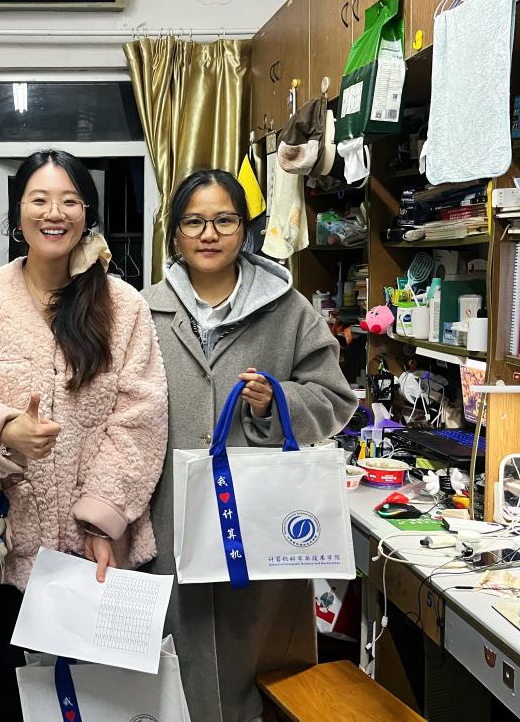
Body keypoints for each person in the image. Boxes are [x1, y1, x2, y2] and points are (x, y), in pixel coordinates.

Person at [0, 150, 168, 722]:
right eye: (38, 199)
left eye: (69, 200)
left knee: (105, 700)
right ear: (18, 214)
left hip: (101, 548)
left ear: (87, 213)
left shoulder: (123, 306)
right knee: (22, 695)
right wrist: (3, 428)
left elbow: (141, 415)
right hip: (10, 544)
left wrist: (103, 519)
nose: (53, 213)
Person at [142, 169, 357, 722]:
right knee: (174, 671)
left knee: (261, 673)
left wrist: (275, 404)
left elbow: (335, 398)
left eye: (224, 220)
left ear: (245, 230)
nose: (208, 234)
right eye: (193, 221)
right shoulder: (143, 311)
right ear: (175, 233)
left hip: (260, 521)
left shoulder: (288, 309)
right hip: (169, 518)